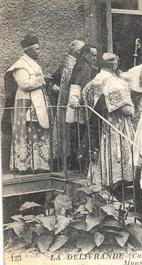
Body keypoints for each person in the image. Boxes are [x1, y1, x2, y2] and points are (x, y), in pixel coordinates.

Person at [89, 66, 135, 204]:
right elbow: (127, 111)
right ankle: (117, 184)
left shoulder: (106, 91)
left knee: (118, 151)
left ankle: (118, 183)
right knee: (118, 152)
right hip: (118, 127)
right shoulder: (116, 91)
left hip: (113, 127)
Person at [4, 35, 50, 173]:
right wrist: (41, 80)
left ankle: (39, 164)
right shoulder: (20, 65)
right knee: (27, 131)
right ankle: (26, 164)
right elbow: (24, 84)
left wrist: (40, 79)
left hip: (37, 101)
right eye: (37, 49)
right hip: (26, 101)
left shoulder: (34, 63)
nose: (39, 51)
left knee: (38, 130)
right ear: (28, 50)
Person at [78, 53, 122, 178]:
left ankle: (90, 172)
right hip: (107, 116)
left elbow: (85, 93)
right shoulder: (111, 80)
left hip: (93, 116)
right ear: (113, 65)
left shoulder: (96, 78)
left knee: (93, 141)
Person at [51, 39, 85, 171]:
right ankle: (69, 161)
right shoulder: (70, 66)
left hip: (67, 102)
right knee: (70, 130)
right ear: (77, 51)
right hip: (68, 104)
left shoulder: (70, 63)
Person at [66, 44, 98, 170]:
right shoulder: (83, 67)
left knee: (78, 132)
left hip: (79, 103)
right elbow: (80, 85)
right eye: (93, 55)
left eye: (96, 55)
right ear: (85, 55)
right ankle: (79, 163)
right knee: (81, 132)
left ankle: (75, 162)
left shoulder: (83, 66)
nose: (95, 58)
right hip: (81, 104)